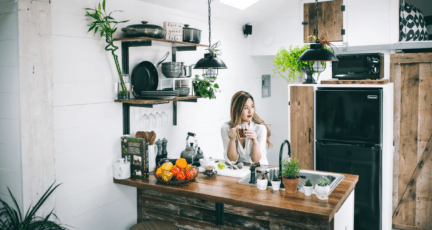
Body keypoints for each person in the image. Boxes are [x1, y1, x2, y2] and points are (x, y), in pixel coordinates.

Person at [221, 91, 272, 165]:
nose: (250, 111)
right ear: (237, 110)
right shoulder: (226, 128)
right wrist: (232, 139)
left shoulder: (260, 128)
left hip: (259, 170)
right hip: (241, 171)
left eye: (252, 106)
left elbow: (256, 160)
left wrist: (254, 141)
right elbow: (232, 159)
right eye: (245, 108)